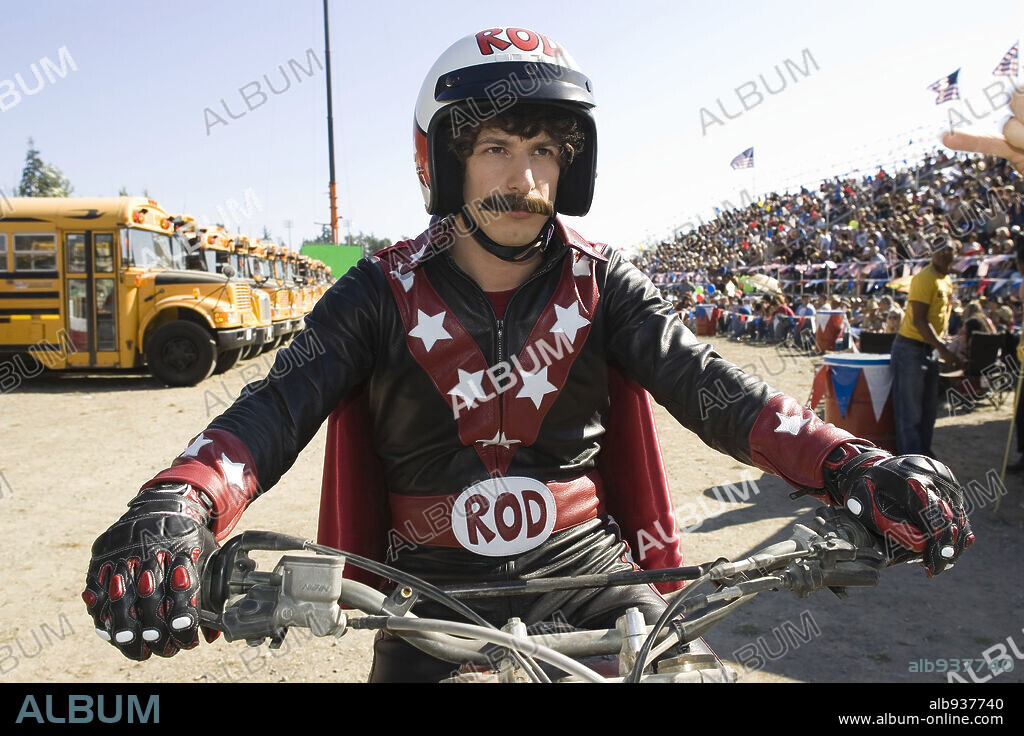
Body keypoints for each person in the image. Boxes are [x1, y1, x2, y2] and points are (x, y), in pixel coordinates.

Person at [83, 28, 975, 680]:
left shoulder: (605, 279)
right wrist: (180, 503)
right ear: (445, 163)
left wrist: (851, 462)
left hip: (598, 584)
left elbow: (719, 391)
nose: (526, 178)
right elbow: (269, 411)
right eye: (498, 148)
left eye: (545, 151)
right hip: (422, 598)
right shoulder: (375, 289)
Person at [890, 240, 962, 457]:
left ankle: (923, 455)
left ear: (954, 253)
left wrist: (940, 345)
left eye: (947, 248)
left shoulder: (945, 279)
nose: (942, 253)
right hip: (911, 349)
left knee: (928, 409)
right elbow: (920, 321)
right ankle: (912, 461)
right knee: (910, 412)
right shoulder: (924, 278)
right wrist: (943, 349)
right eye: (938, 248)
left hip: (927, 349)